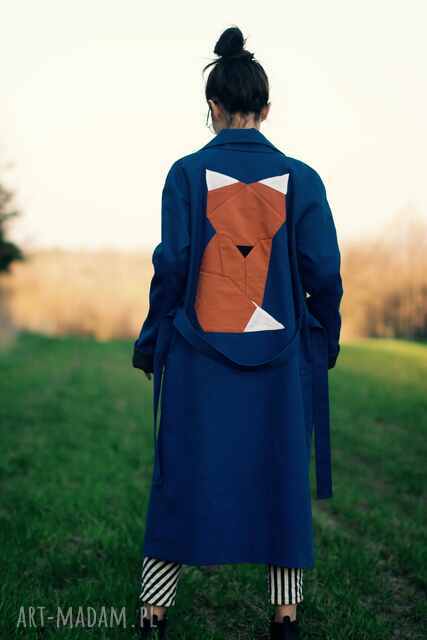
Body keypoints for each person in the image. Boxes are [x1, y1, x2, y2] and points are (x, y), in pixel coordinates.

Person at [132, 25, 343, 640]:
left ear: (213, 107)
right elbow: (324, 270)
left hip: (198, 361)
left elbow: (173, 266)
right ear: (266, 110)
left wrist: (151, 340)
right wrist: (325, 337)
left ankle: (153, 613)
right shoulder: (303, 178)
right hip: (279, 362)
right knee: (281, 477)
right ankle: (284, 617)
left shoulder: (184, 174)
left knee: (181, 476)